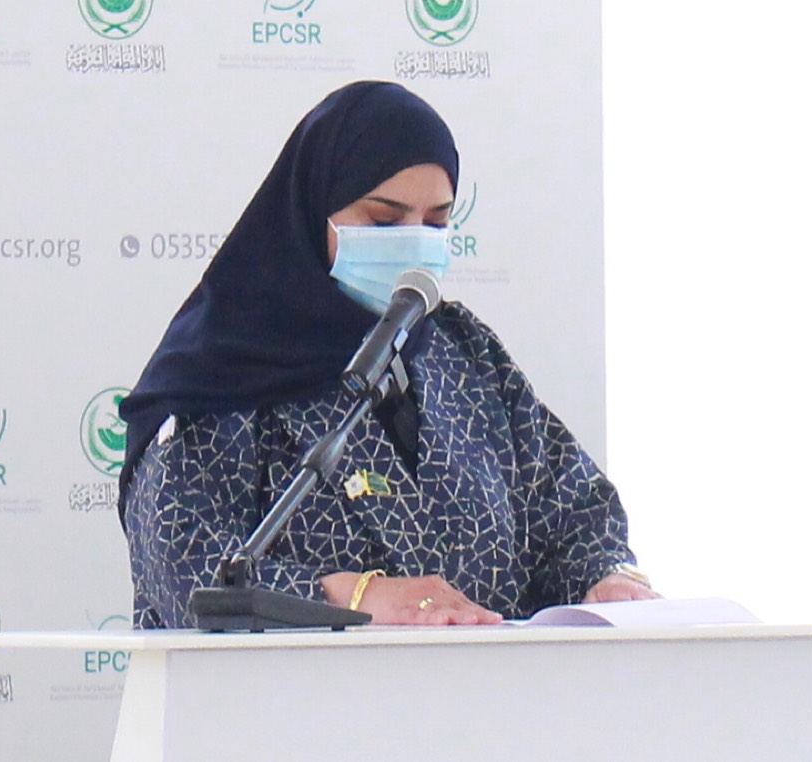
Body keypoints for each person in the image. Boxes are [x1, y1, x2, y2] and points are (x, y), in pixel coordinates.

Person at [118, 81, 656, 629]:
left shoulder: (465, 352)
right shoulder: (219, 367)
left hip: (491, 684)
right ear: (312, 208)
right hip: (289, 687)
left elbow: (572, 514)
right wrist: (352, 597)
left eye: (436, 222)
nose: (414, 242)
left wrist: (606, 576)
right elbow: (183, 570)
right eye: (383, 220)